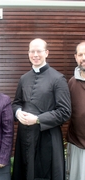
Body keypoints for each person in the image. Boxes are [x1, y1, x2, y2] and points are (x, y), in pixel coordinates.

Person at [11, 38, 71, 180]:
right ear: (28, 53)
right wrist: (18, 112)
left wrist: (38, 119)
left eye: (39, 51)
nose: (35, 55)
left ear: (47, 53)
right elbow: (16, 103)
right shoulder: (24, 78)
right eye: (32, 51)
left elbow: (65, 111)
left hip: (47, 138)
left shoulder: (58, 79)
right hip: (25, 137)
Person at [66, 41, 85, 180]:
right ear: (76, 57)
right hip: (77, 143)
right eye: (80, 54)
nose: (83, 57)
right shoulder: (71, 83)